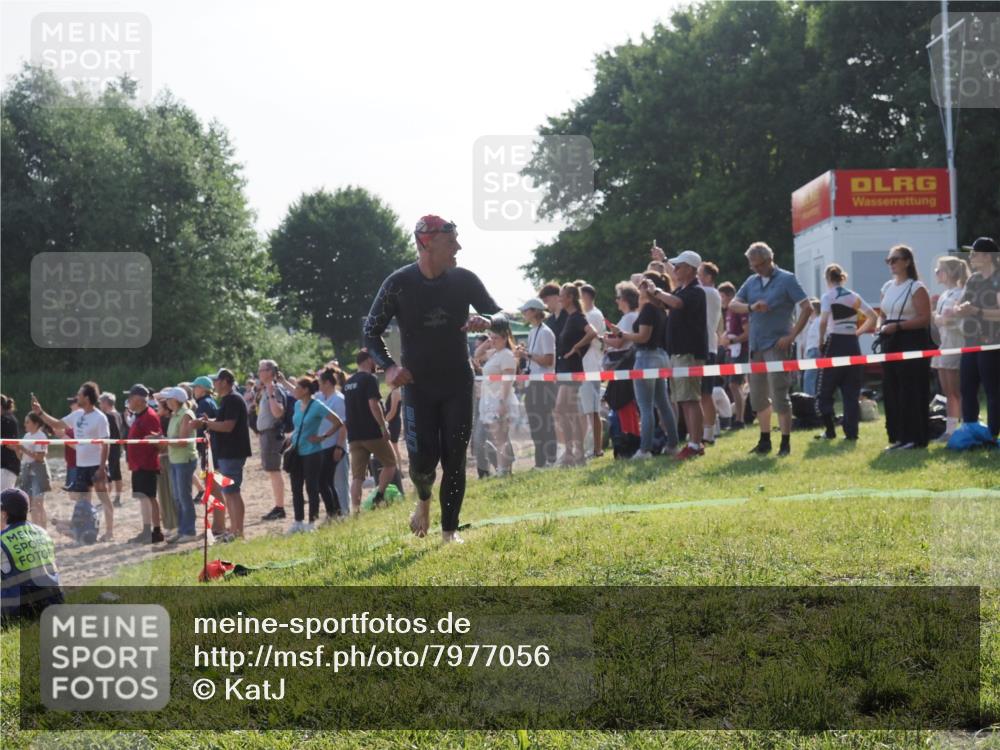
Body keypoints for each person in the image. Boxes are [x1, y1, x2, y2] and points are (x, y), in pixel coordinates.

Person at [363, 215, 506, 543]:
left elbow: (500, 314)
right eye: (451, 241)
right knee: (422, 461)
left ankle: (449, 531)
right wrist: (388, 367)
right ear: (427, 243)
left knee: (455, 456)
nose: (458, 247)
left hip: (457, 381)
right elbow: (371, 330)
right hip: (418, 386)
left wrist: (487, 319)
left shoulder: (464, 280)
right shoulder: (398, 283)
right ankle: (423, 501)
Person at [729, 242, 811, 456]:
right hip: (756, 347)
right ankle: (764, 440)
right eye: (752, 266)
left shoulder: (787, 279)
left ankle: (785, 443)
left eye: (758, 265)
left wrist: (791, 336)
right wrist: (751, 307)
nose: (755, 269)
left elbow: (807, 307)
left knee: (780, 394)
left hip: (777, 345)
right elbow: (733, 305)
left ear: (768, 260)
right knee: (757, 396)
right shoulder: (751, 282)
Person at [606, 271, 678, 459]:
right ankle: (672, 444)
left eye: (643, 285)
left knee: (645, 407)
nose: (639, 288)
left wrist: (622, 334)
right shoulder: (661, 309)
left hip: (646, 357)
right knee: (663, 404)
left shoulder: (648, 310)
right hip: (660, 356)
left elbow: (643, 337)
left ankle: (645, 449)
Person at [33, 383, 114, 540]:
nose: (77, 396)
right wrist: (40, 413)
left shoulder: (100, 417)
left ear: (88, 398)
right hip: (81, 465)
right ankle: (85, 531)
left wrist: (102, 467)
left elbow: (106, 444)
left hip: (96, 464)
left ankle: (109, 532)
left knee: (103, 497)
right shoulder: (77, 414)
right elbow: (57, 424)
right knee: (83, 500)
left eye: (80, 394)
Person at [877, 244, 933, 450]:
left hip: (911, 341)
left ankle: (915, 437)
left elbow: (925, 318)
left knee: (911, 389)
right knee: (891, 388)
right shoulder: (886, 287)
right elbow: (882, 314)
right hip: (889, 341)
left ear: (907, 261)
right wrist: (880, 327)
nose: (891, 264)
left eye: (895, 259)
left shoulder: (916, 287)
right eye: (888, 260)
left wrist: (898, 326)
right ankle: (898, 436)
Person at [655, 251, 708, 460]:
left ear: (691, 269)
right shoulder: (683, 289)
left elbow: (676, 303)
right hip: (678, 353)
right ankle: (694, 442)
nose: (675, 270)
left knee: (691, 399)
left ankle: (695, 444)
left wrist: (657, 291)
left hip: (689, 353)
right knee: (685, 399)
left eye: (679, 266)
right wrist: (664, 260)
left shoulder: (696, 291)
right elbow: (672, 300)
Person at [814, 264, 877, 441]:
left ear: (827, 279)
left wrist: (820, 341)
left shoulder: (828, 296)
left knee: (824, 390)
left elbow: (823, 321)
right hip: (852, 344)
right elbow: (873, 316)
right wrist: (857, 332)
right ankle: (851, 433)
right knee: (851, 391)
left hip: (835, 342)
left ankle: (830, 430)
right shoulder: (853, 296)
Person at [194, 368, 251, 541]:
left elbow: (228, 426)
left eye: (217, 380)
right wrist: (207, 422)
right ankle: (234, 530)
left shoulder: (232, 399)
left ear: (225, 381)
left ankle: (237, 531)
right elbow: (221, 422)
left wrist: (206, 424)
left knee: (232, 493)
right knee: (230, 493)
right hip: (228, 452)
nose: (215, 384)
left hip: (233, 451)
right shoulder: (228, 399)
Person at [954, 236, 1000, 437]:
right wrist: (960, 309)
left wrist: (977, 311)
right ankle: (971, 431)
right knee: (966, 387)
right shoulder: (973, 279)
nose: (970, 257)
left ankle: (993, 434)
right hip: (971, 340)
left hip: (993, 340)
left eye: (974, 253)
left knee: (992, 390)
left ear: (988, 256)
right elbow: (960, 304)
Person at [285, 375, 344, 532]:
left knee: (312, 488)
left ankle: (312, 522)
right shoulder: (297, 405)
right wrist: (292, 436)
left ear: (305, 390)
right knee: (296, 487)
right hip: (297, 451)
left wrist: (322, 437)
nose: (295, 390)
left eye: (297, 387)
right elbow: (298, 425)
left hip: (313, 453)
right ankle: (298, 522)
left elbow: (338, 422)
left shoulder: (317, 405)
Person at [343, 351, 398, 515]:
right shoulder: (369, 379)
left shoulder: (348, 382)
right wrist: (383, 427)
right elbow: (374, 405)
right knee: (390, 464)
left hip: (353, 435)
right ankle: (379, 495)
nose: (376, 363)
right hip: (372, 433)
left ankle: (356, 511)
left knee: (357, 477)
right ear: (368, 360)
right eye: (374, 360)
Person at [1, 488, 63, 622]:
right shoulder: (43, 532)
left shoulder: (2, 541)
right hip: (54, 603)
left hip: (21, 610)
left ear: (4, 514)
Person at [553, 283, 596, 467]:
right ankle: (574, 453)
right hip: (565, 369)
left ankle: (576, 452)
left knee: (563, 409)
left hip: (573, 369)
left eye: (561, 295)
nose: (559, 299)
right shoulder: (569, 318)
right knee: (568, 411)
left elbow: (592, 332)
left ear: (570, 297)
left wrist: (577, 347)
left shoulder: (578, 317)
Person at [930, 256, 970, 441]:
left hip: (955, 343)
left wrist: (943, 318)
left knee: (955, 390)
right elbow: (939, 320)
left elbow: (954, 320)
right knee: (946, 391)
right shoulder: (945, 295)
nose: (936, 273)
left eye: (940, 270)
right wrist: (940, 317)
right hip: (943, 344)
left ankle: (954, 430)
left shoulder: (961, 293)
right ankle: (952, 427)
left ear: (949, 273)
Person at [516, 298, 557, 469]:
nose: (523, 314)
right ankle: (540, 461)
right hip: (534, 381)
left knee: (545, 422)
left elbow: (548, 360)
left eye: (526, 311)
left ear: (534, 311)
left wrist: (527, 355)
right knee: (534, 422)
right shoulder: (534, 331)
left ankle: (551, 459)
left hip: (544, 383)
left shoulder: (546, 332)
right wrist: (526, 354)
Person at [156, 387, 199, 543]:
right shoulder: (176, 415)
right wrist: (162, 438)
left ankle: (189, 531)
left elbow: (182, 441)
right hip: (176, 460)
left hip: (184, 460)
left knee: (184, 497)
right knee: (177, 497)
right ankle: (182, 530)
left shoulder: (186, 415)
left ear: (175, 400)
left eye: (168, 399)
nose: (166, 401)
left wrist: (162, 440)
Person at [477, 322, 520, 477]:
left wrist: (502, 402)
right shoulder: (495, 354)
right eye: (491, 338)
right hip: (490, 398)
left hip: (499, 399)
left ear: (504, 338)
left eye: (495, 338)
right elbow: (477, 355)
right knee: (498, 437)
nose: (493, 341)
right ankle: (505, 468)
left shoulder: (507, 355)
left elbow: (507, 380)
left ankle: (503, 469)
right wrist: (488, 342)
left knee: (500, 437)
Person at [122, 385, 163, 544]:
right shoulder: (138, 415)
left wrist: (155, 439)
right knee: (143, 498)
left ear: (138, 400)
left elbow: (158, 442)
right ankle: (147, 531)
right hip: (138, 465)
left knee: (149, 498)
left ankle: (155, 531)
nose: (128, 401)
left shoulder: (150, 416)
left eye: (130, 398)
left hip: (147, 465)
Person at [256, 360, 288, 522]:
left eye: (261, 370)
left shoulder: (274, 389)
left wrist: (270, 394)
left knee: (274, 470)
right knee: (272, 470)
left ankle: (279, 507)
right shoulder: (267, 389)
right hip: (266, 434)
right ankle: (278, 506)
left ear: (270, 372)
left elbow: (278, 413)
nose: (259, 373)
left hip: (272, 434)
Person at [697, 262, 724, 445]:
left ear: (708, 277)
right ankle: (710, 430)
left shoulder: (709, 293)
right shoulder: (707, 293)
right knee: (703, 393)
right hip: (708, 347)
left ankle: (709, 433)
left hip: (707, 348)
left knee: (705, 393)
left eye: (699, 274)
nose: (696, 278)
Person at [578, 283, 607, 457]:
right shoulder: (586, 314)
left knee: (592, 410)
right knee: (584, 409)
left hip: (591, 364)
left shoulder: (594, 314)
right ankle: (584, 447)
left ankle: (596, 448)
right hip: (584, 366)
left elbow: (590, 338)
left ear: (586, 296)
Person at [317, 366, 349, 518]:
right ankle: (336, 513)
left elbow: (343, 425)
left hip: (336, 446)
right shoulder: (321, 398)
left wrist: (339, 446)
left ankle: (344, 513)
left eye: (321, 383)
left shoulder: (339, 399)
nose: (319, 386)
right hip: (324, 447)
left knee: (340, 482)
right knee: (329, 482)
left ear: (328, 383)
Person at [718, 282, 748, 429]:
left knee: (734, 384)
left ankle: (740, 419)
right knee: (732, 384)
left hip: (740, 351)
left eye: (722, 296)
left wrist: (732, 340)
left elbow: (748, 332)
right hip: (731, 351)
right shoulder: (728, 311)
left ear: (730, 296)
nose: (720, 300)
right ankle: (738, 417)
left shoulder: (739, 309)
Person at [18, 413, 51, 527]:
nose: (25, 424)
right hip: (27, 471)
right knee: (30, 504)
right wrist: (16, 449)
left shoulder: (41, 436)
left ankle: (43, 530)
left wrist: (22, 448)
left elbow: (40, 457)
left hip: (38, 472)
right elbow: (21, 457)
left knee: (38, 503)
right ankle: (36, 529)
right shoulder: (26, 436)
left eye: (27, 422)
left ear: (36, 424)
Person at [99, 393, 126, 507]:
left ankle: (108, 499)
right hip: (117, 448)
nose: (99, 405)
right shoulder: (118, 414)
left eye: (100, 403)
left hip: (111, 448)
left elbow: (109, 435)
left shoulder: (109, 416)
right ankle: (117, 498)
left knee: (108, 474)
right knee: (116, 474)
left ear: (105, 403)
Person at [799, 300, 822, 397]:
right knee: (812, 378)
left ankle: (809, 399)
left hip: (814, 351)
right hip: (813, 351)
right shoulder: (815, 322)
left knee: (809, 378)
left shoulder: (817, 322)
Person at [0, 395, 19, 491]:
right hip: (6, 466)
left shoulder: (6, 420)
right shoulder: (7, 419)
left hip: (7, 466)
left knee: (3, 499)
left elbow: (11, 444)